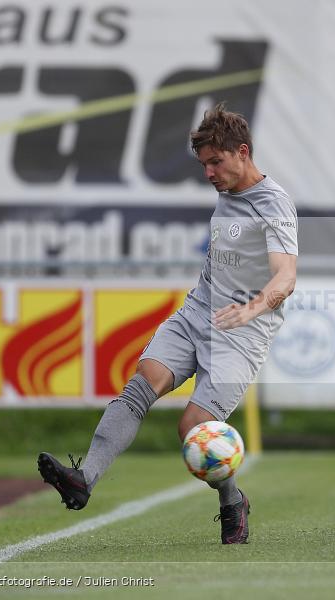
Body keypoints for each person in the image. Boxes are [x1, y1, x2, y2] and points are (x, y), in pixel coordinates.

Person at [38, 104, 298, 545]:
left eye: (216, 162)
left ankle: (232, 501)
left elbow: (285, 276)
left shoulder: (273, 203)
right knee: (142, 383)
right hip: (198, 311)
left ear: (243, 152)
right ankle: (85, 478)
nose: (210, 174)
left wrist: (251, 309)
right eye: (204, 165)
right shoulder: (229, 189)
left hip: (242, 332)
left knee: (194, 432)